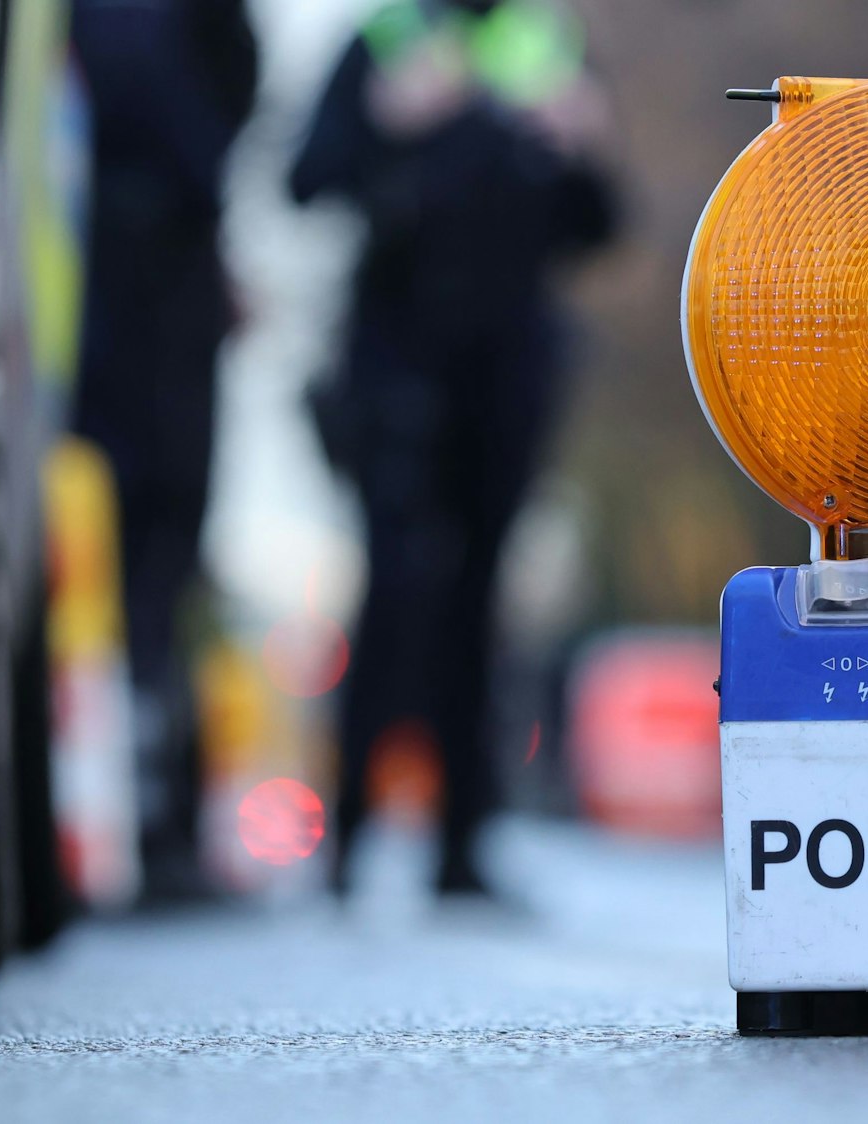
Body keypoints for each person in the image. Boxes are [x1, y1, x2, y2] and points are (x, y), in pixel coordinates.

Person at [288, 0, 616, 897]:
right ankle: (348, 835)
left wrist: (581, 145)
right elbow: (306, 179)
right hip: (397, 365)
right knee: (397, 590)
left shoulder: (546, 50)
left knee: (478, 596)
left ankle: (462, 845)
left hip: (507, 371)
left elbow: (597, 225)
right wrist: (389, 124)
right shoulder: (384, 43)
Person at [71, 0, 257, 901]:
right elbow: (190, 100)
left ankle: (148, 820)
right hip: (139, 304)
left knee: (141, 578)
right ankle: (148, 825)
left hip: (129, 288)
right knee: (143, 572)